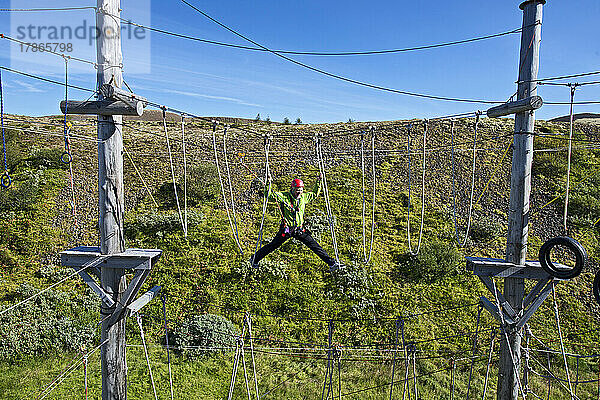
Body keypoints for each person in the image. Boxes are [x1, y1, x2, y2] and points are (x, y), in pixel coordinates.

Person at [250, 175, 340, 270]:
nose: (299, 192)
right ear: (292, 189)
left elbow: (314, 194)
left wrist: (318, 182)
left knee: (314, 245)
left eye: (301, 190)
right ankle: (254, 259)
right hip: (287, 229)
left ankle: (331, 263)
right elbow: (269, 195)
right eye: (297, 190)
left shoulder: (303, 197)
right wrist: (268, 182)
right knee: (273, 245)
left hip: (299, 229)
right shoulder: (284, 197)